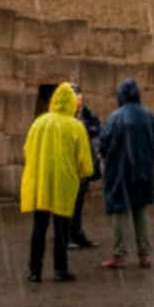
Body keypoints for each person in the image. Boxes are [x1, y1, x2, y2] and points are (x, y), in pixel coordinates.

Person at [21, 82, 95, 283]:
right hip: (64, 183)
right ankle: (60, 269)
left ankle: (34, 270)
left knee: (39, 227)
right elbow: (85, 163)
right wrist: (82, 173)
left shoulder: (39, 123)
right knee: (61, 228)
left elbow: (27, 150)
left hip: (41, 184)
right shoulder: (76, 126)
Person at [99, 77, 154, 269]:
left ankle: (119, 254)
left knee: (120, 211)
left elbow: (104, 142)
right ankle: (144, 254)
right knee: (140, 211)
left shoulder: (116, 117)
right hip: (143, 171)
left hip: (121, 171)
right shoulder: (149, 116)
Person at [67, 90, 103, 249]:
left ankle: (77, 234)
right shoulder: (67, 119)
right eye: (77, 100)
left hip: (83, 166)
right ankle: (68, 237)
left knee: (78, 204)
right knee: (69, 205)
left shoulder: (86, 115)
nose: (79, 104)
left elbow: (96, 129)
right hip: (71, 167)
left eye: (81, 100)